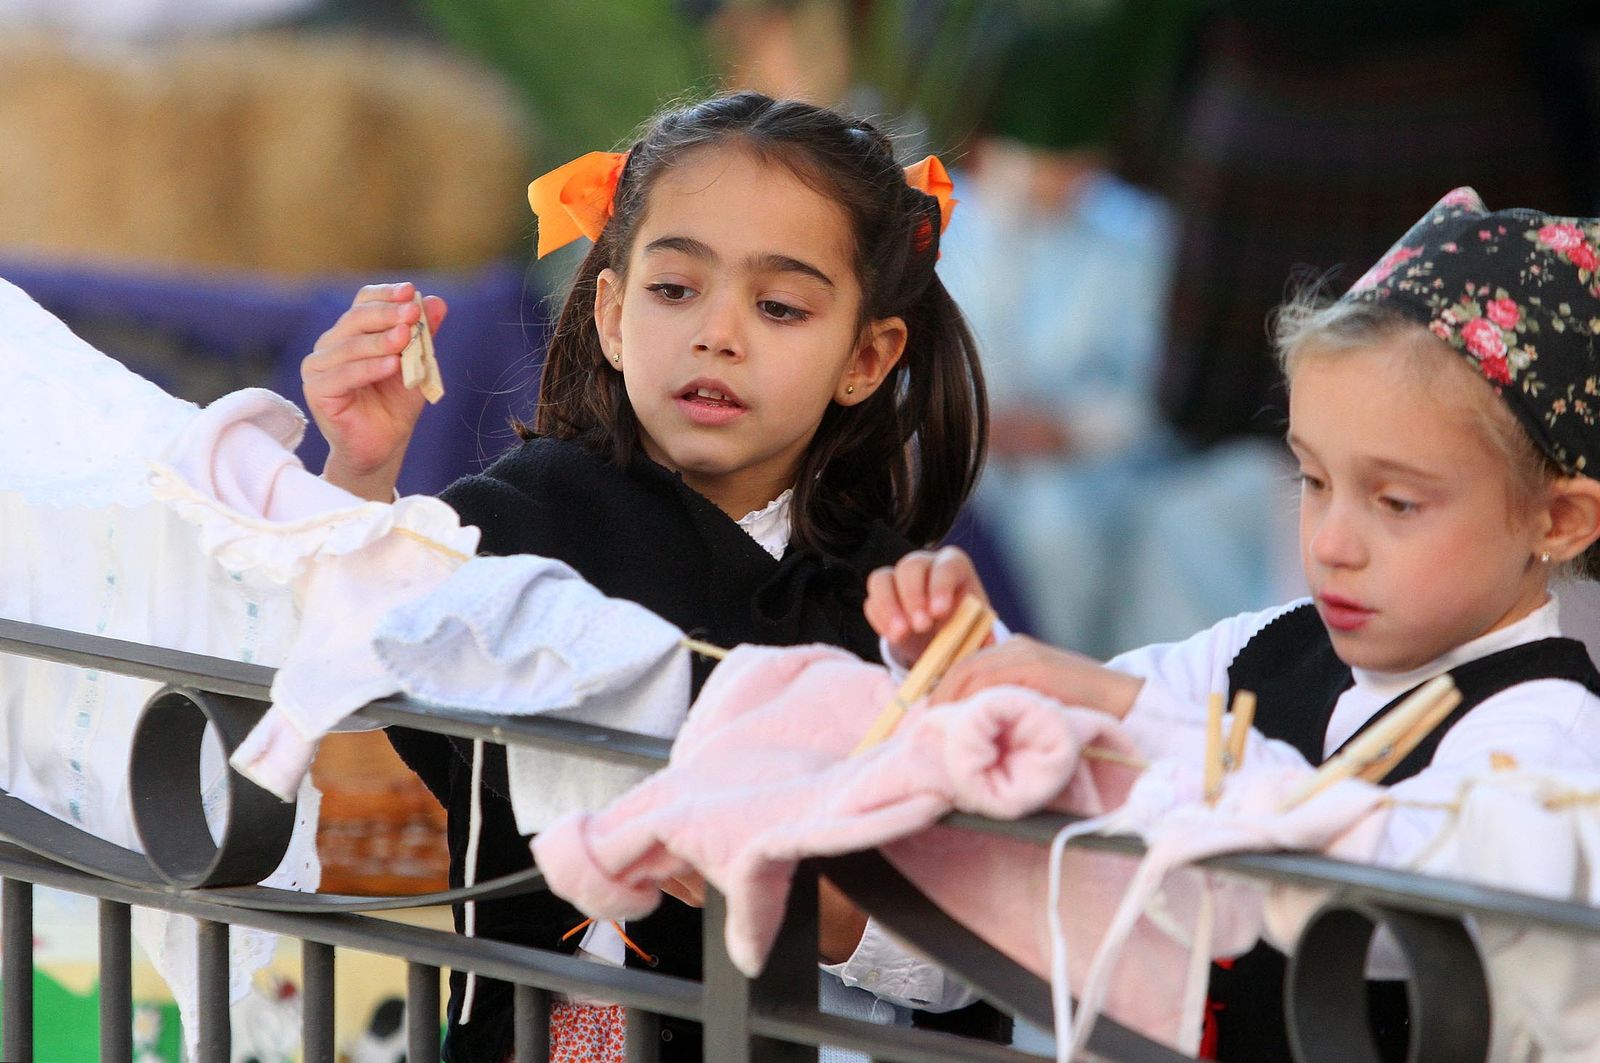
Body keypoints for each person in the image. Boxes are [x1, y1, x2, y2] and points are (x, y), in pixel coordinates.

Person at [300, 92, 993, 1062]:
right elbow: (338, 667)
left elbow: (976, 944)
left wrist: (804, 895)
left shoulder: (897, 609)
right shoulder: (518, 521)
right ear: (612, 314)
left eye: (779, 306)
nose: (718, 333)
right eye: (674, 289)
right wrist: (360, 475)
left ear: (867, 357)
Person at [866, 188, 1600, 1058]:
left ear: (1560, 520)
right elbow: (1078, 743)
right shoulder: (1261, 647)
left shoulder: (1554, 739)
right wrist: (966, 656)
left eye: (1397, 502)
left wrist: (1126, 711)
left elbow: (1402, 905)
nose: (1330, 543)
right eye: (1312, 481)